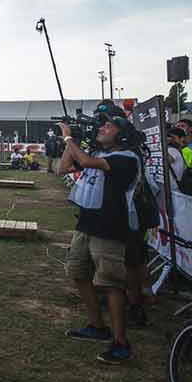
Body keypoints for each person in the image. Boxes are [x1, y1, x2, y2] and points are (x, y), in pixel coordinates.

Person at [57, 114, 143, 364]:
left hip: (110, 228)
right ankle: (97, 326)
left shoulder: (127, 158)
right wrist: (69, 144)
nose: (102, 128)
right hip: (87, 223)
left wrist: (69, 137)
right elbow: (63, 168)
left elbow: (83, 160)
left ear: (123, 134)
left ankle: (120, 342)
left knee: (111, 283)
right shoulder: (102, 155)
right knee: (79, 272)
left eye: (109, 126)